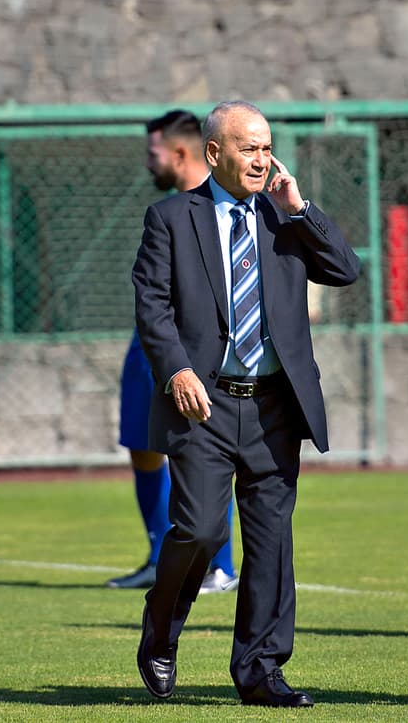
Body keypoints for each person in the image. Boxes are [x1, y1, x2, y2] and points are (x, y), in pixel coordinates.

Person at [132, 101, 360, 707]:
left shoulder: (285, 218)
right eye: (249, 148)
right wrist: (177, 368)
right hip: (202, 406)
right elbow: (152, 304)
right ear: (215, 154)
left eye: (266, 147)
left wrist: (300, 208)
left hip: (273, 407)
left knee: (270, 542)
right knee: (201, 530)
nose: (262, 158)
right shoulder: (170, 219)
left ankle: (259, 669)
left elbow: (344, 270)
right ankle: (161, 629)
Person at [107, 110, 239, 595]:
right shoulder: (167, 211)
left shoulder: (223, 203)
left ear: (180, 153)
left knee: (208, 448)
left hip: (201, 350)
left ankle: (217, 566)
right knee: (142, 445)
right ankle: (158, 554)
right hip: (150, 342)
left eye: (153, 152)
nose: (148, 161)